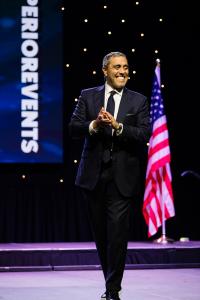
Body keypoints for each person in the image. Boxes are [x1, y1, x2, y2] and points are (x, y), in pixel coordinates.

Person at [69, 51, 151, 300]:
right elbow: (73, 127)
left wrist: (118, 126)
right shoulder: (87, 96)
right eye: (117, 67)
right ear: (105, 70)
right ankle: (110, 284)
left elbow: (144, 134)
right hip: (93, 177)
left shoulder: (138, 100)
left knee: (117, 236)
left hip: (122, 179)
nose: (122, 71)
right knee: (102, 236)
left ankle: (112, 290)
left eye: (126, 67)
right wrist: (94, 125)